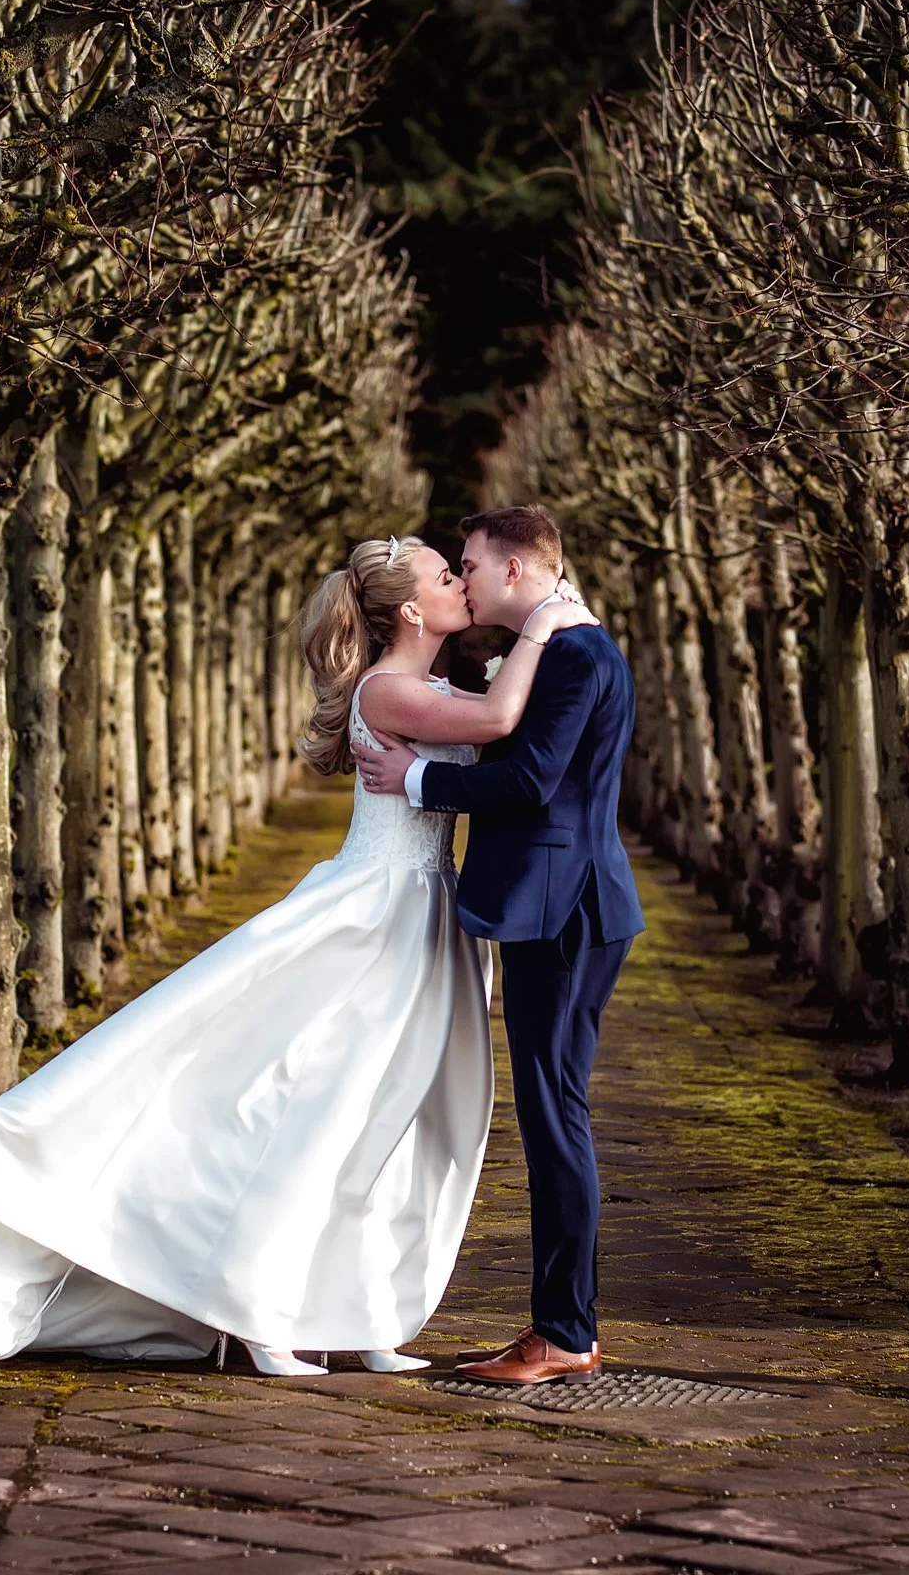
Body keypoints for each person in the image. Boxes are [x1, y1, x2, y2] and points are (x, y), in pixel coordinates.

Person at [0, 533, 595, 1376]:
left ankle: (359, 1315)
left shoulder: (434, 685)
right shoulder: (390, 690)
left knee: (392, 1120)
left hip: (428, 920)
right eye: (447, 577)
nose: (462, 585)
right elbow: (496, 723)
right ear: (411, 608)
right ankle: (260, 1315)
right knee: (316, 1112)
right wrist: (545, 625)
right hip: (372, 920)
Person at [352, 504, 644, 1388]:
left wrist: (414, 777)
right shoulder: (560, 649)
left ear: (514, 571)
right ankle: (566, 1326)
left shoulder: (577, 654)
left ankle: (563, 1332)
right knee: (555, 1113)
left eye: (470, 564)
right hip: (557, 907)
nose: (464, 578)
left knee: (556, 1117)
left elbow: (529, 782)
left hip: (563, 913)